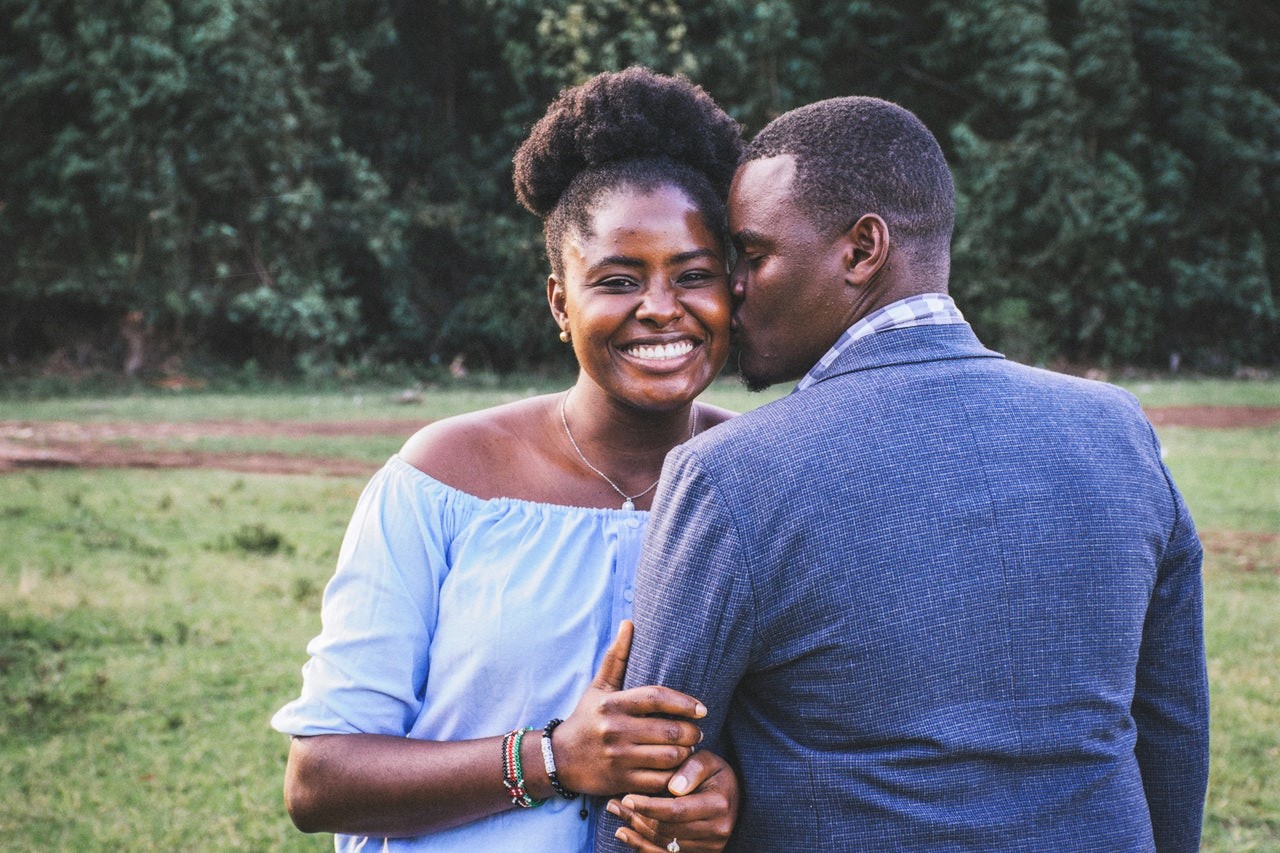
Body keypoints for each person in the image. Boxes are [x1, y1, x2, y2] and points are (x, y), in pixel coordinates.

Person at [597, 96, 1209, 851]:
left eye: (752, 256)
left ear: (862, 250)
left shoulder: (730, 475)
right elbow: (1172, 732)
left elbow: (652, 787)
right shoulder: (1118, 429)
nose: (734, 287)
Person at [272, 67, 743, 852]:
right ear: (561, 300)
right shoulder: (447, 476)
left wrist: (725, 797)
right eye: (619, 280)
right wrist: (555, 758)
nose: (662, 307)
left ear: (734, 287)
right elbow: (319, 779)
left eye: (693, 274)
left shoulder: (755, 481)